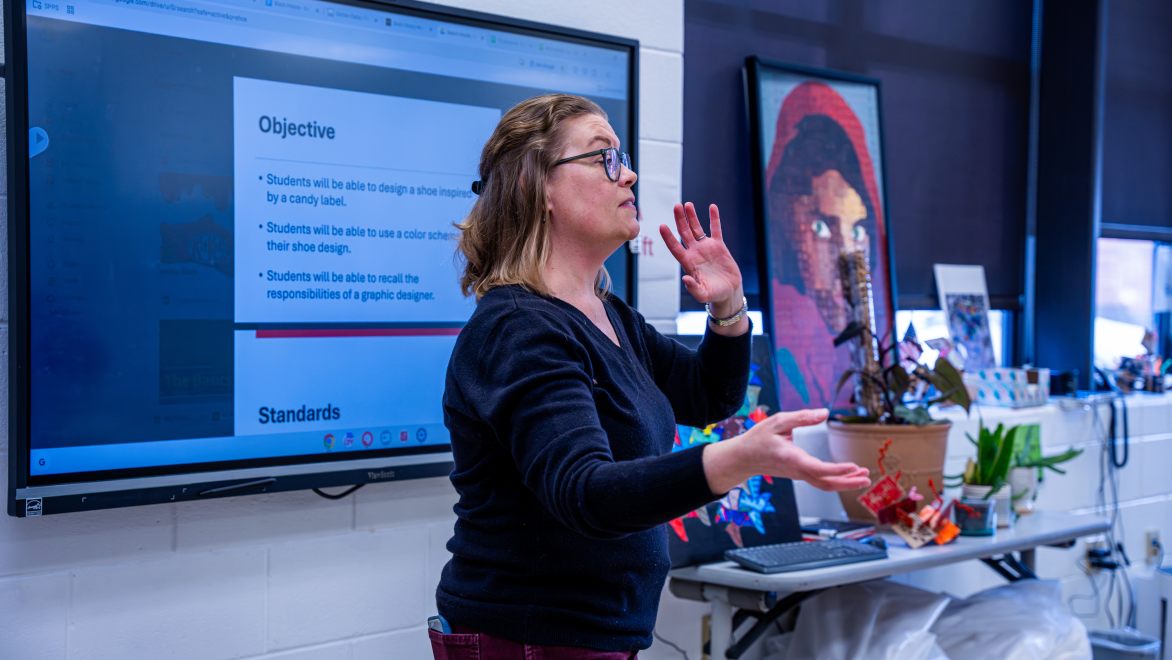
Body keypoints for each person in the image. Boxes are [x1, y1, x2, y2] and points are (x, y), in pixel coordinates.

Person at [433, 93, 870, 658]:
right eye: (604, 158)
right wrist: (738, 459)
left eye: (624, 157)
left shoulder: (609, 316)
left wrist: (729, 308)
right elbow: (586, 492)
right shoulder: (518, 330)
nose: (629, 173)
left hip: (587, 635)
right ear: (534, 186)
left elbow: (708, 395)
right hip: (528, 637)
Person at [763, 81, 892, 413]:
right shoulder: (782, 359)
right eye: (822, 227)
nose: (846, 256)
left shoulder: (874, 357)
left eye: (859, 230)